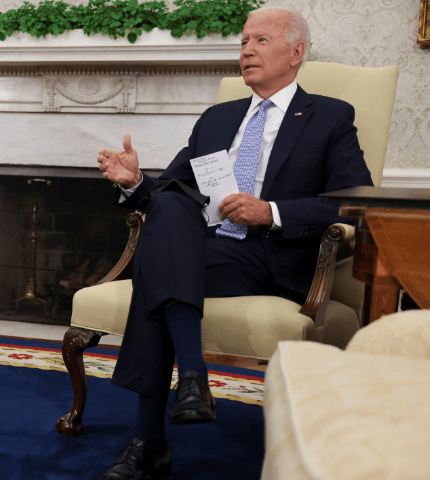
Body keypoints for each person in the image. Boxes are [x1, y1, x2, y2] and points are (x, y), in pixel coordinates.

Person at [94, 7, 373, 479]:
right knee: (173, 210)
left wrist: (272, 212)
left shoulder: (329, 117)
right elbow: (169, 194)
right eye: (243, 41)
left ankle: (149, 441)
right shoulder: (218, 118)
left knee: (156, 270)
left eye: (261, 40)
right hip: (210, 247)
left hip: (274, 255)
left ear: (296, 52)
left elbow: (356, 204)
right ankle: (194, 378)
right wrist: (135, 181)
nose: (245, 50)